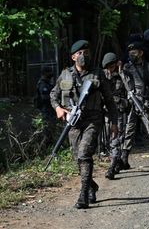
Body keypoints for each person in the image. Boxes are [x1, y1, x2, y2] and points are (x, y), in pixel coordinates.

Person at [50, 40, 118, 209]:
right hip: (73, 122)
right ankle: (92, 185)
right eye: (80, 53)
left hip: (93, 120)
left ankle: (83, 195)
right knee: (77, 160)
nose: (83, 56)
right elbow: (54, 95)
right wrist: (58, 108)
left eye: (86, 52)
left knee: (84, 154)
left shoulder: (97, 74)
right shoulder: (65, 75)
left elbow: (109, 100)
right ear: (73, 57)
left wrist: (114, 123)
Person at [120, 41, 149, 168]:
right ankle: (124, 157)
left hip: (146, 103)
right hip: (132, 104)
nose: (131, 55)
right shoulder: (126, 68)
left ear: (141, 53)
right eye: (130, 53)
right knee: (128, 131)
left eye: (134, 53)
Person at [101, 52, 131, 180]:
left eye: (112, 66)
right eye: (108, 66)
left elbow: (129, 89)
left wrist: (121, 71)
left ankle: (112, 167)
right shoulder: (102, 75)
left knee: (116, 138)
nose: (110, 69)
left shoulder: (123, 74)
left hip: (118, 111)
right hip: (104, 112)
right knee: (107, 140)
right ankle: (117, 161)